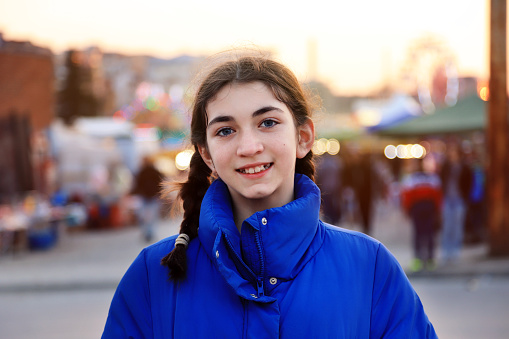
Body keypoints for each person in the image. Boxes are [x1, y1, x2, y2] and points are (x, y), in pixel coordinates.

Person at [102, 51, 437, 338]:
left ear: (303, 138)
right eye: (226, 130)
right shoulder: (151, 276)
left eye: (267, 123)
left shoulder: (370, 267)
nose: (249, 147)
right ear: (206, 153)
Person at [400, 158, 442, 272]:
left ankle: (423, 259)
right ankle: (426, 259)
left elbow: (407, 197)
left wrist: (407, 210)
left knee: (422, 233)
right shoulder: (431, 178)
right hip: (424, 208)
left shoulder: (411, 178)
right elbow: (437, 196)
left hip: (421, 208)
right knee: (426, 233)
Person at [439, 144, 472, 262]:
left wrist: (466, 198)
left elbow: (468, 183)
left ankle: (455, 251)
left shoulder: (464, 167)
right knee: (447, 226)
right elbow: (441, 181)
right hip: (448, 199)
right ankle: (446, 251)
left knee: (457, 227)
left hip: (459, 199)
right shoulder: (446, 166)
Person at [131, 156, 164, 242]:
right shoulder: (155, 171)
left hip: (145, 196)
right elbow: (161, 182)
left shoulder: (141, 172)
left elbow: (137, 184)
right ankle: (150, 232)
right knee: (152, 216)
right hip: (152, 196)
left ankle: (147, 232)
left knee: (144, 216)